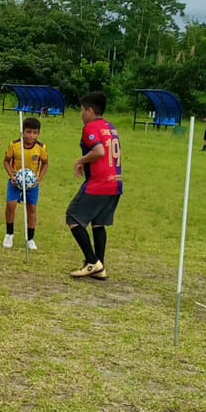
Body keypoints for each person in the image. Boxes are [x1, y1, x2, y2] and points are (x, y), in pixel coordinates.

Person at [67, 91, 122, 281]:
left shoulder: (90, 127)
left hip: (99, 183)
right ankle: (100, 267)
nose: (81, 114)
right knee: (98, 223)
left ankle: (92, 262)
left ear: (90, 110)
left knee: (73, 217)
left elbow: (99, 151)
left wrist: (80, 160)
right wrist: (88, 162)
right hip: (115, 182)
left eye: (82, 110)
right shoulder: (111, 127)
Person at [2, 117, 49, 250]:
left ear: (38, 133)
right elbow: (6, 161)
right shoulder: (14, 145)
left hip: (32, 184)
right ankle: (9, 234)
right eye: (28, 132)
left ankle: (30, 238)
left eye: (35, 132)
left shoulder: (41, 148)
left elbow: (45, 163)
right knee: (11, 205)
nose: (31, 135)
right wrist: (11, 175)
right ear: (22, 132)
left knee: (32, 209)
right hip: (15, 182)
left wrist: (39, 178)